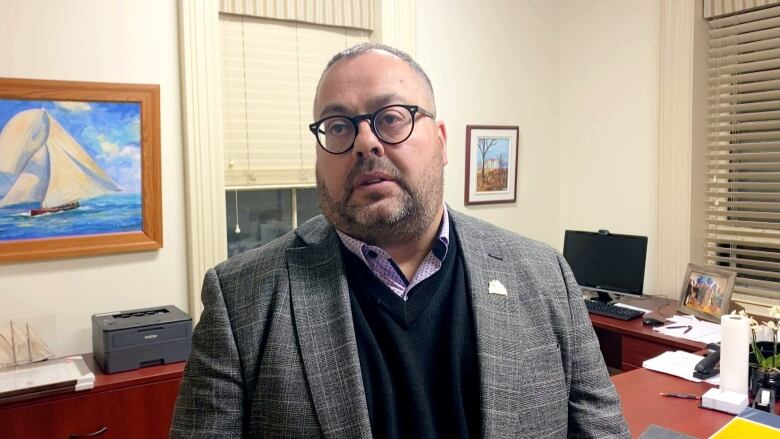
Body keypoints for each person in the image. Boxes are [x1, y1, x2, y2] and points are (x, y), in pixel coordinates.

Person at [170, 43, 629, 439]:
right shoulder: (242, 300)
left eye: (391, 118)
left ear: (442, 141)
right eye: (338, 126)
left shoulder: (544, 274)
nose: (365, 143)